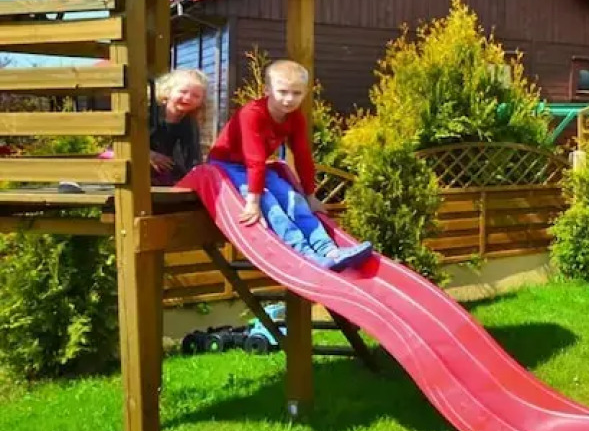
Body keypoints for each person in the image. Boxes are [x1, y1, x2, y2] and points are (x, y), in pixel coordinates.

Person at [207, 58, 372, 271]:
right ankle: (306, 254)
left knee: (294, 199)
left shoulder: (295, 118)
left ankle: (329, 250)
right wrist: (253, 201)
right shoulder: (252, 114)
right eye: (282, 92)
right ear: (267, 90)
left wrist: (311, 196)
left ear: (305, 93)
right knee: (271, 205)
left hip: (256, 166)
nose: (289, 99)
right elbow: (254, 158)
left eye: (296, 93)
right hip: (226, 165)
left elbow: (303, 155)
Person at [59, 67, 209, 192]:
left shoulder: (189, 123)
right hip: (129, 154)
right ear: (168, 91)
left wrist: (193, 176)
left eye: (195, 96)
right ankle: (75, 180)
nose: (188, 98)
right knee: (113, 163)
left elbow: (192, 155)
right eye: (183, 92)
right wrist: (148, 154)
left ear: (201, 101)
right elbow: (128, 139)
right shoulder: (149, 112)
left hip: (154, 170)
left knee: (166, 178)